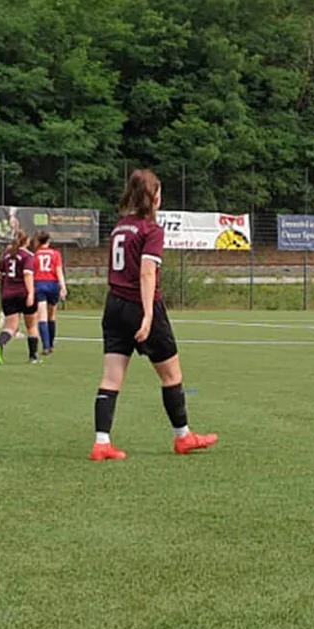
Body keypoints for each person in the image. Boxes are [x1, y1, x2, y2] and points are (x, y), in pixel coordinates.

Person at [90, 168, 217, 462]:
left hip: (114, 305)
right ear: (155, 197)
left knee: (111, 378)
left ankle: (101, 442)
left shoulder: (120, 227)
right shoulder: (151, 230)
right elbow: (147, 273)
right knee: (171, 374)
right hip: (140, 305)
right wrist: (148, 316)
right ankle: (183, 437)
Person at [0, 231, 39, 366]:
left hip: (8, 295)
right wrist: (31, 293)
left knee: (10, 327)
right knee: (31, 325)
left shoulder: (6, 255)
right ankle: (33, 357)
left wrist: (8, 278)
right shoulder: (27, 256)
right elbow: (27, 275)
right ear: (26, 242)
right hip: (23, 294)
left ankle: (0, 345)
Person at [31, 231, 68, 357]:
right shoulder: (55, 253)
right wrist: (63, 287)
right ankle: (51, 344)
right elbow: (58, 271)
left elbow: (31, 273)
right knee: (51, 316)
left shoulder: (34, 255)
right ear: (48, 241)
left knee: (42, 316)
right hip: (52, 285)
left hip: (39, 284)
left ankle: (46, 346)